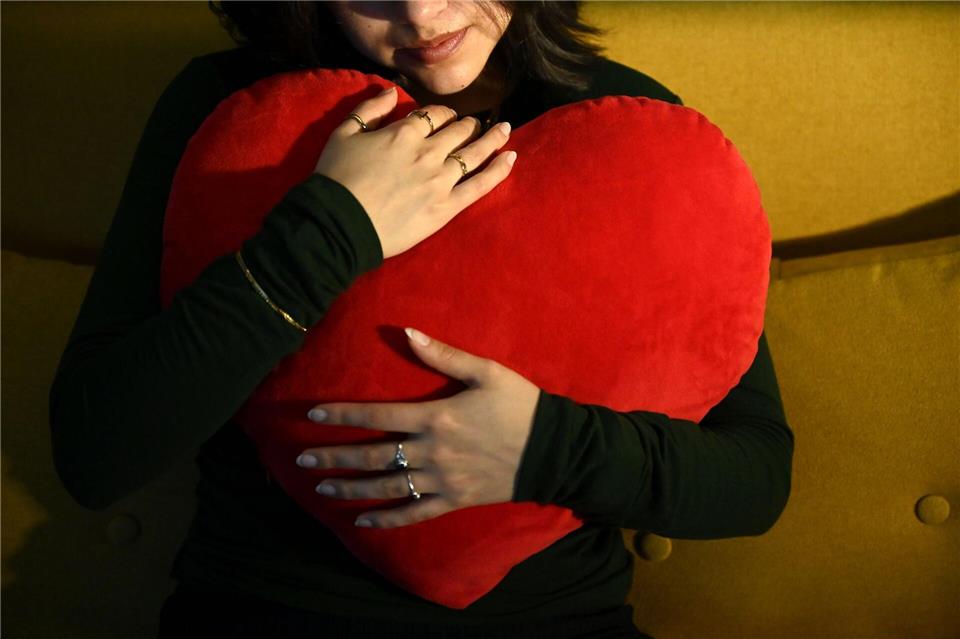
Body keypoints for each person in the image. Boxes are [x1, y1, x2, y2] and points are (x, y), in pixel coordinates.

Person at [47, 1, 795, 637]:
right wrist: (332, 231)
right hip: (266, 610)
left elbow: (756, 476)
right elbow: (94, 452)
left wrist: (544, 448)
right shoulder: (233, 110)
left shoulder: (639, 135)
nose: (419, 13)